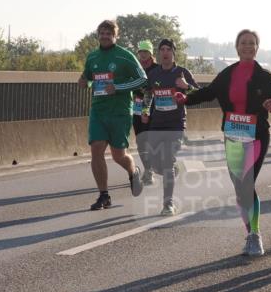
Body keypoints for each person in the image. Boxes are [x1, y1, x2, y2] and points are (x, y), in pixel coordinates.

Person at [179, 29, 271, 257]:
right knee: (240, 189)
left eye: (252, 43)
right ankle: (250, 234)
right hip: (233, 136)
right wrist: (186, 98)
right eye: (244, 43)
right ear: (237, 47)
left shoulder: (265, 76)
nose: (248, 47)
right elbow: (208, 93)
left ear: (257, 47)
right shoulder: (228, 74)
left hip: (257, 135)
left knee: (246, 184)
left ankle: (255, 236)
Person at [80, 19, 148, 210]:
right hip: (98, 111)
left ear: (115, 36)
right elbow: (87, 77)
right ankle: (104, 195)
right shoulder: (92, 57)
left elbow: (143, 79)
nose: (104, 36)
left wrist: (117, 87)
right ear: (98, 35)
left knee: (119, 155)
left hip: (119, 112)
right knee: (96, 149)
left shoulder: (124, 56)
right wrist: (83, 81)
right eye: (101, 32)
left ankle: (133, 171)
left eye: (108, 33)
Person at [141, 38, 199, 216]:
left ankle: (168, 204)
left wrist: (186, 86)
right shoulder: (154, 74)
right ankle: (172, 169)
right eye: (162, 50)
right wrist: (145, 110)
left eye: (168, 50)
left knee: (166, 160)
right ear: (158, 54)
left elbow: (199, 93)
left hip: (175, 125)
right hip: (157, 123)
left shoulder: (182, 72)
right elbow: (148, 93)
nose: (165, 53)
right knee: (153, 161)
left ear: (173, 53)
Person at [132, 40, 160, 184]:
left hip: (153, 109)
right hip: (136, 109)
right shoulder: (135, 68)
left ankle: (159, 166)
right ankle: (148, 169)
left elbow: (155, 89)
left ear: (151, 53)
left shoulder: (157, 69)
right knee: (140, 142)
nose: (143, 55)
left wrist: (147, 109)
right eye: (141, 52)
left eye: (146, 52)